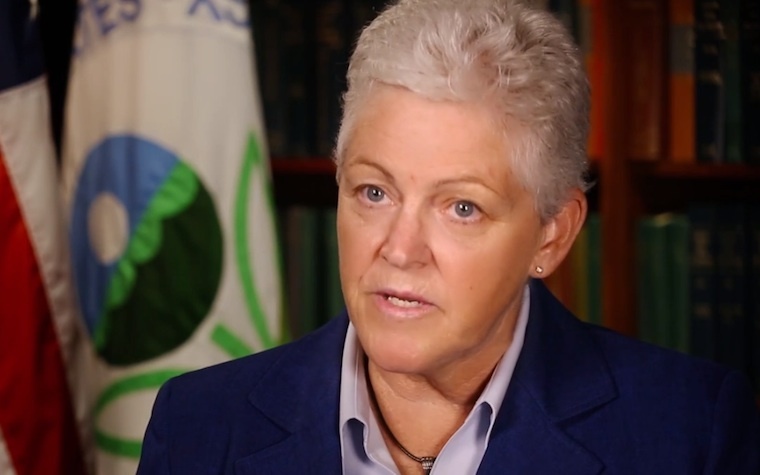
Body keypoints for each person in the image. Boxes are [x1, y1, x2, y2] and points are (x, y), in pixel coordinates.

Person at [137, 0, 760, 473]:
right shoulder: (198, 428)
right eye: (374, 192)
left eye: (462, 207)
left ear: (552, 235)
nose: (400, 249)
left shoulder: (690, 434)